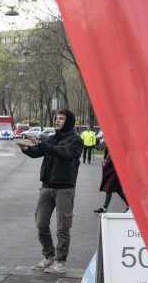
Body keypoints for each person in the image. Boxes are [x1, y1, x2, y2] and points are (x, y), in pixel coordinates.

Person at [19, 109, 83, 274]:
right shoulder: (51, 138)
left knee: (63, 227)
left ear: (68, 122)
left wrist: (41, 144)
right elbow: (38, 152)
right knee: (41, 223)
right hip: (47, 186)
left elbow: (64, 152)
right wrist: (27, 148)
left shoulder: (76, 141)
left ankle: (61, 261)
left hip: (65, 188)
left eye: (61, 118)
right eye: (56, 118)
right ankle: (49, 257)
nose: (57, 121)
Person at [96, 145, 126, 213]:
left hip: (116, 166)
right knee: (118, 189)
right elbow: (108, 150)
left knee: (109, 186)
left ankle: (104, 208)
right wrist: (105, 159)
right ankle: (130, 206)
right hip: (111, 165)